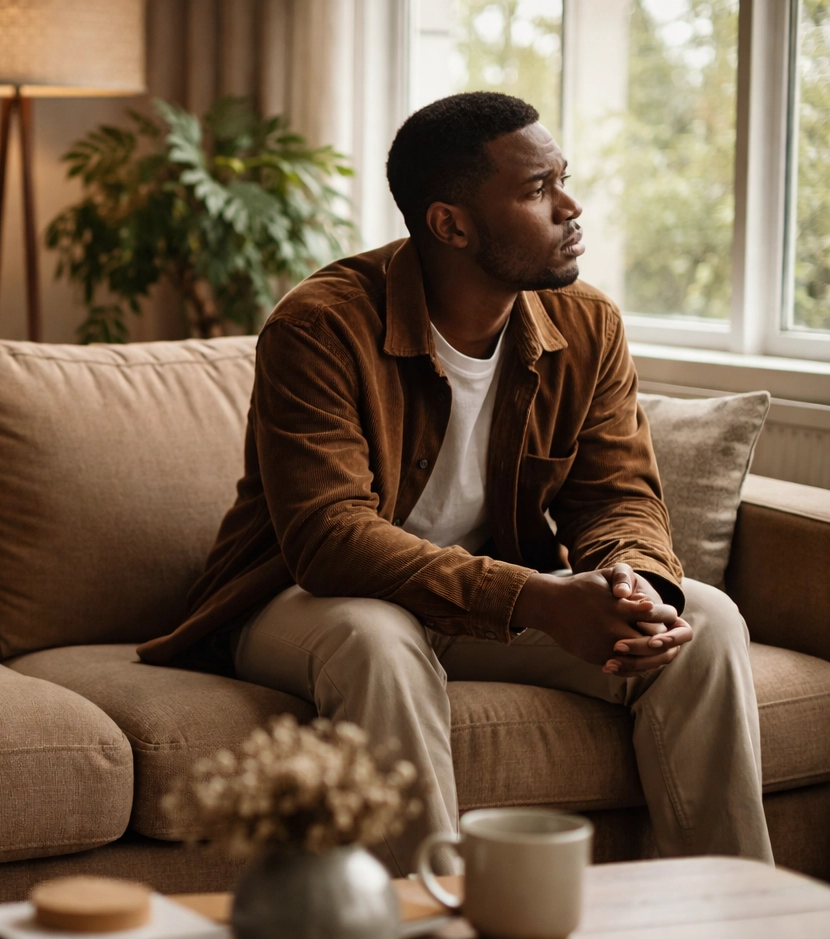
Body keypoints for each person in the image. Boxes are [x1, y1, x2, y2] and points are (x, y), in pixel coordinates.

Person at [139, 91, 771, 874]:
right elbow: (329, 540)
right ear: (451, 224)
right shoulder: (321, 326)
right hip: (303, 600)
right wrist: (537, 598)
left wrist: (634, 584)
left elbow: (617, 496)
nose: (571, 208)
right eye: (538, 190)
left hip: (480, 603)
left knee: (701, 620)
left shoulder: (588, 325)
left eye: (562, 180)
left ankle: (733, 926)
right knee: (375, 636)